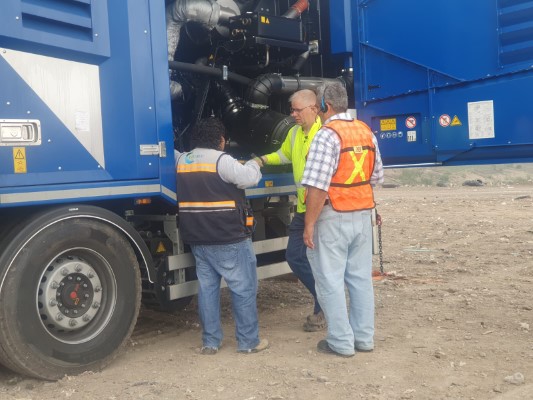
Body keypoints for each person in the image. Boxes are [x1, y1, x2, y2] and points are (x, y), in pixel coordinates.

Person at [301, 82, 384, 357]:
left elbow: (317, 186)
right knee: (360, 279)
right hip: (362, 216)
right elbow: (376, 178)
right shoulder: (366, 132)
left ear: (325, 105)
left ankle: (340, 342)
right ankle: (364, 338)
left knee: (330, 281)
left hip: (333, 216)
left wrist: (309, 224)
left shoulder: (326, 135)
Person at [175, 117, 269, 355]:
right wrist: (255, 163)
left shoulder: (183, 160)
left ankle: (210, 342)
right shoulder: (222, 160)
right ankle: (248, 342)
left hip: (198, 238)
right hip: (228, 237)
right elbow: (249, 178)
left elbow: (170, 152)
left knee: (207, 291)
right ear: (220, 141)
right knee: (243, 288)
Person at [253, 89, 326, 332]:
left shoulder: (324, 134)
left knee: (323, 261)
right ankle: (325, 302)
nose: (292, 114)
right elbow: (283, 155)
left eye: (297, 110)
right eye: (291, 109)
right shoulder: (294, 133)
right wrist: (261, 160)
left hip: (325, 208)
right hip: (304, 208)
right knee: (295, 257)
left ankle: (324, 308)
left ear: (314, 109)